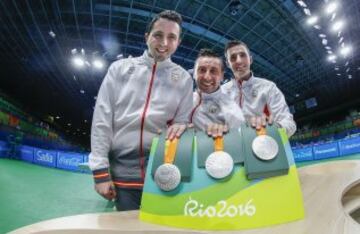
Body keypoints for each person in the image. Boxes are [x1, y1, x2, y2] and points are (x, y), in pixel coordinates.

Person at [89, 10, 193, 211]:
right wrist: (100, 173)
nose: (164, 42)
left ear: (178, 42)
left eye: (171, 37)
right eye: (158, 35)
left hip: (163, 175)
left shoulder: (184, 79)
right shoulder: (119, 68)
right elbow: (102, 120)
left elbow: (181, 125)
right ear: (147, 37)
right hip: (122, 175)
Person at [223, 40, 296, 137]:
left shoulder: (268, 88)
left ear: (250, 59)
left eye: (243, 55)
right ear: (228, 64)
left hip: (265, 148)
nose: (239, 60)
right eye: (233, 58)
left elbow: (289, 124)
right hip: (232, 150)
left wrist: (271, 130)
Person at [190, 48, 245, 137]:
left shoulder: (230, 107)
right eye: (202, 70)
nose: (207, 77)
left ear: (222, 76)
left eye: (213, 71)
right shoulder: (184, 100)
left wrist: (225, 134)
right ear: (194, 73)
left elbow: (242, 138)